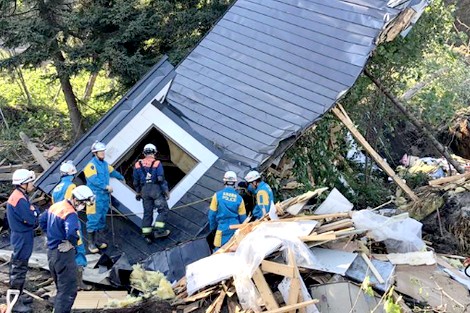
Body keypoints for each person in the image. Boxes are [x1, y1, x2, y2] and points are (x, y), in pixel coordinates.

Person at [40, 185, 95, 313]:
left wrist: (50, 236)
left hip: (52, 253)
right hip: (64, 255)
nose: (84, 207)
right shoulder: (71, 214)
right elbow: (71, 233)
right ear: (78, 200)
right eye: (84, 204)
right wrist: (72, 244)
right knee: (68, 291)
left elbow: (42, 220)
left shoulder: (56, 206)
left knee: (61, 287)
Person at [51, 160, 91, 291]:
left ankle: (64, 284)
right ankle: (79, 283)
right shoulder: (71, 187)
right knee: (79, 250)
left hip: (58, 223)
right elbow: (72, 204)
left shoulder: (55, 188)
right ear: (72, 173)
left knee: (64, 253)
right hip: (70, 220)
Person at [6, 169, 39, 313]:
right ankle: (14, 300)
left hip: (21, 235)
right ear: (23, 183)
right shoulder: (19, 199)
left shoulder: (19, 196)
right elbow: (31, 218)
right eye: (30, 182)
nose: (32, 184)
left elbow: (32, 211)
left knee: (20, 265)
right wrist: (35, 213)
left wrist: (34, 211)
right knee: (19, 267)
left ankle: (18, 294)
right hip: (22, 236)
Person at [84, 141, 124, 253]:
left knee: (101, 219)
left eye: (103, 151)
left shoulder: (105, 164)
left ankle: (98, 241)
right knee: (93, 220)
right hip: (93, 198)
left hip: (104, 197)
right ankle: (91, 244)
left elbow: (113, 172)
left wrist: (121, 177)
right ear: (95, 153)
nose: (102, 153)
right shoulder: (90, 166)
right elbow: (93, 180)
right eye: (100, 151)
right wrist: (106, 186)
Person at [133, 144, 171, 243]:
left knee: (147, 213)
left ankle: (147, 235)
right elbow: (161, 179)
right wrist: (166, 191)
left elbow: (136, 181)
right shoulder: (157, 163)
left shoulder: (137, 165)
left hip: (144, 191)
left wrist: (138, 192)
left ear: (144, 153)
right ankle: (159, 231)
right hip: (155, 189)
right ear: (154, 152)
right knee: (163, 210)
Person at [208, 171, 246, 250]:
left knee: (219, 252)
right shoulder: (239, 199)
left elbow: (211, 215)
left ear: (225, 181)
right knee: (233, 251)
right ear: (235, 183)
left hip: (222, 230)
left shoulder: (217, 196)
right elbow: (243, 219)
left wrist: (213, 228)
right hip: (235, 230)